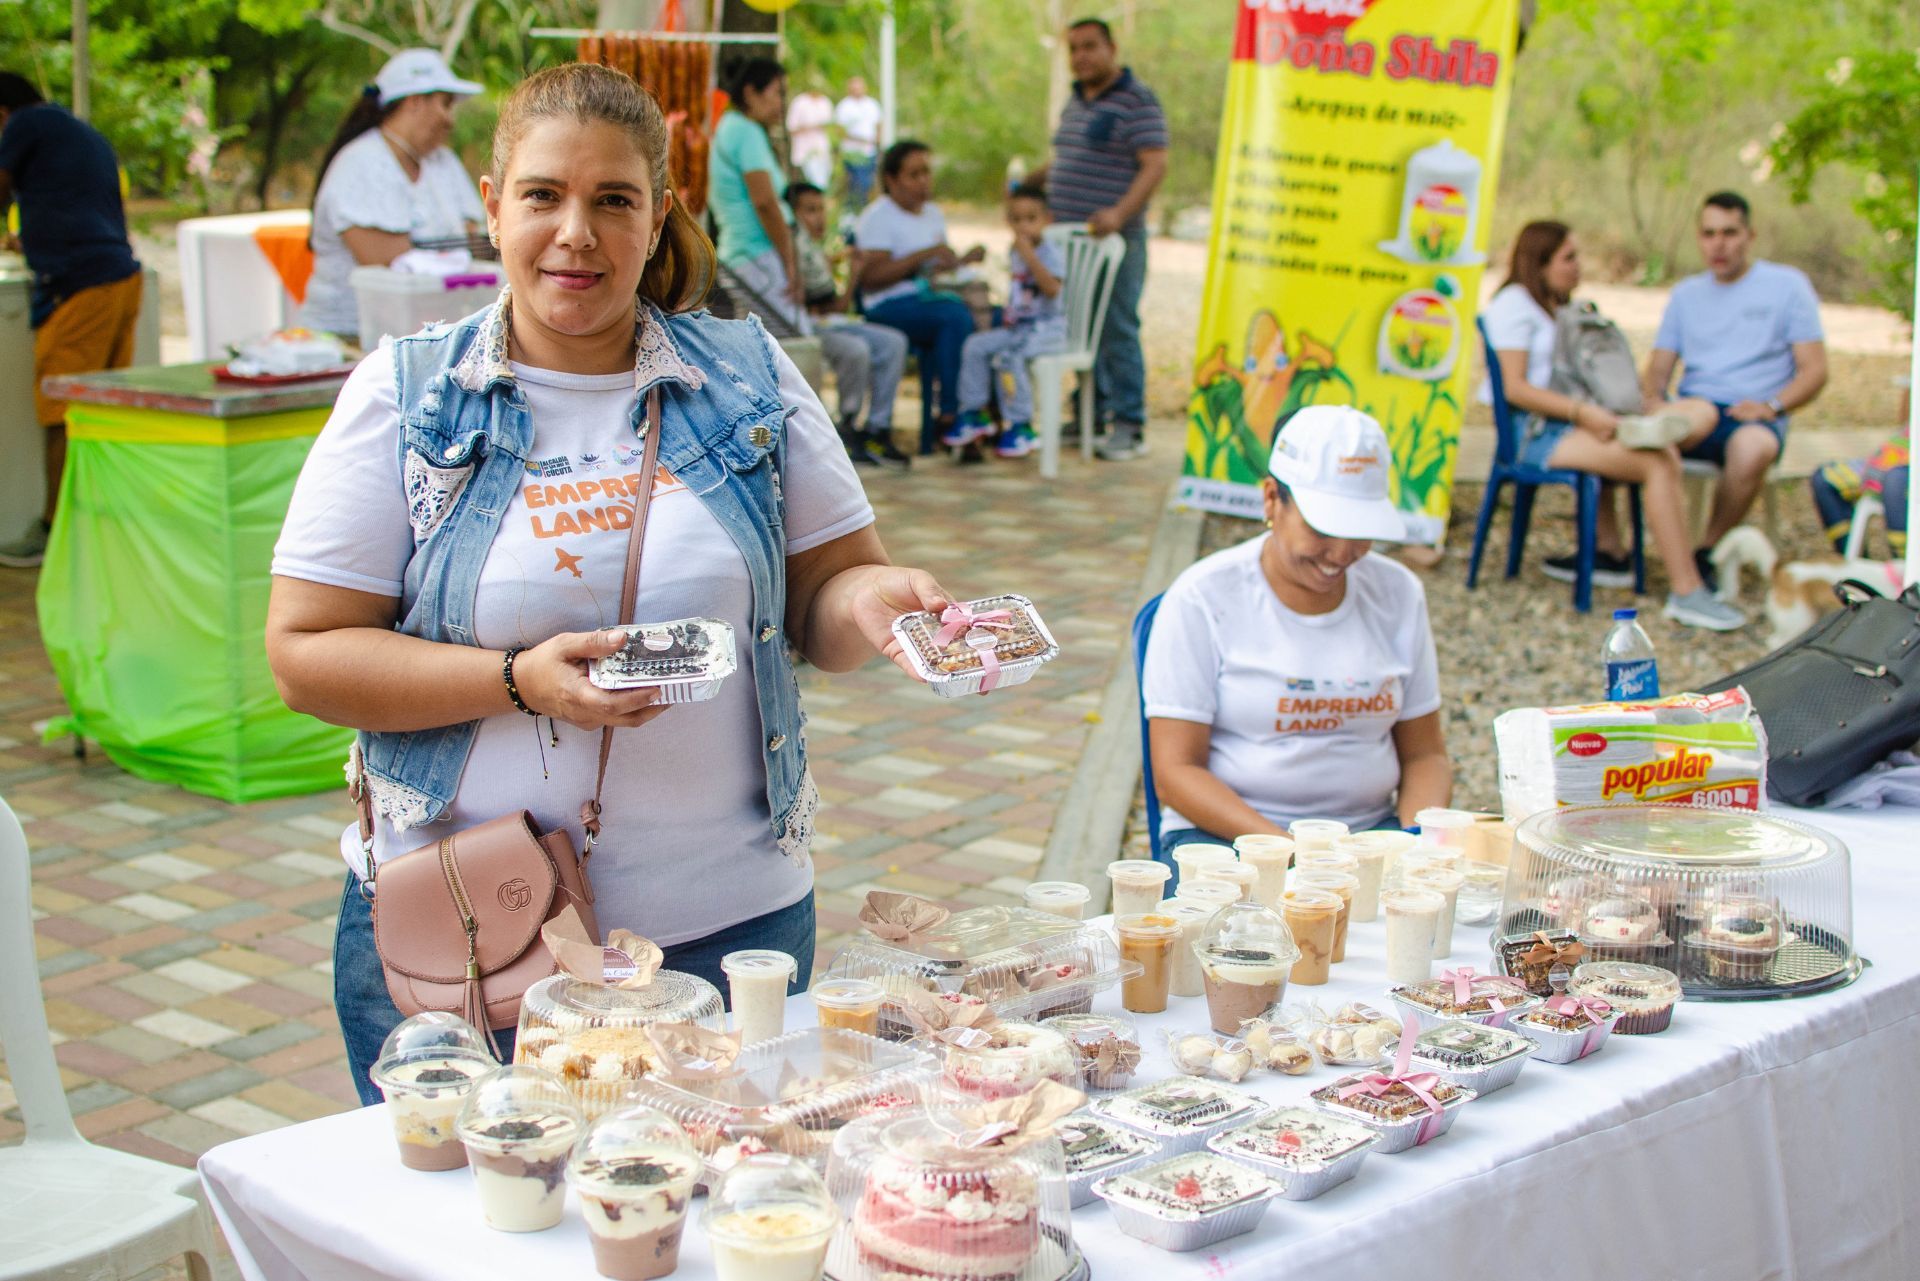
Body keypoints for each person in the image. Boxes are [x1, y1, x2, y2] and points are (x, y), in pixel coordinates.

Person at [264, 63, 952, 1102]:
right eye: (543, 196)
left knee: (716, 1234)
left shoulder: (747, 376)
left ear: (658, 211)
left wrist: (872, 604)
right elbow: (304, 657)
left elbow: (829, 598)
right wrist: (516, 680)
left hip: (735, 931)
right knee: (475, 1245)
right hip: (473, 940)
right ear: (491, 208)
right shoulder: (410, 396)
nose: (576, 233)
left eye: (613, 200)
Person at [1143, 406, 1453, 844]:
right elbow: (1175, 772)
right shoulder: (1202, 598)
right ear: (1271, 498)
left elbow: (1425, 755)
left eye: (1361, 529)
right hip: (1227, 838)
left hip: (1368, 833)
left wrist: (1416, 840)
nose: (1343, 553)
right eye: (1323, 528)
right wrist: (1295, 855)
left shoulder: (1399, 592)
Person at [1483, 221, 1743, 629]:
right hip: (1534, 435)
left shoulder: (1556, 306)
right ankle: (1687, 591)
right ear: (1540, 262)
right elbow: (1515, 389)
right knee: (1658, 461)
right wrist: (1582, 413)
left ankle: (1612, 551)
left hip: (1574, 422)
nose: (1578, 266)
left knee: (1698, 413)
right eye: (1569, 257)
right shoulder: (1514, 305)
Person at [1643, 190, 1829, 590]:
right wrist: (1654, 401)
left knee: (1752, 448)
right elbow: (1658, 368)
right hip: (1695, 408)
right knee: (1648, 439)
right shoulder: (1686, 295)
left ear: (1750, 235)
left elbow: (1815, 370)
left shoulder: (1787, 286)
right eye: (1709, 233)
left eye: (1729, 232)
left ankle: (1706, 554)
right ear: (1698, 237)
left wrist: (1773, 406)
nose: (1719, 243)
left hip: (1754, 413)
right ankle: (1616, 552)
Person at [0, 72, 141, 569]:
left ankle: (52, 532)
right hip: (120, 279)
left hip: (80, 287)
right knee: (98, 413)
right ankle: (98, 527)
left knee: (63, 414)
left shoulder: (25, 124)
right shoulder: (75, 128)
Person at [1032, 17, 1167, 462]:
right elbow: (1070, 160)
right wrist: (1033, 182)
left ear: (1112, 48)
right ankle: (1089, 415)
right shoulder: (1074, 102)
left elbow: (1155, 164)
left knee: (1117, 327)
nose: (1081, 57)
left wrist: (1119, 213)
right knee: (1076, 325)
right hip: (1068, 242)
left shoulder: (1137, 100)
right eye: (1074, 49)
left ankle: (1129, 423)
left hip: (1115, 241)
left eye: (1090, 47)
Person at [301, 49, 486, 341]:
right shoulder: (360, 163)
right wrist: (448, 260)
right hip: (350, 337)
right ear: (415, 101)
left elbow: (472, 239)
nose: (450, 120)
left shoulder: (443, 162)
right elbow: (388, 263)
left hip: (425, 336)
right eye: (445, 104)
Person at [855, 140, 984, 454]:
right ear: (891, 179)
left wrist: (962, 261)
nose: (924, 181)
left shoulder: (933, 214)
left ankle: (983, 418)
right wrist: (922, 256)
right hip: (888, 305)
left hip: (931, 298)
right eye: (914, 174)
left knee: (990, 317)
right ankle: (952, 415)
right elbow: (870, 279)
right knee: (954, 319)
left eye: (927, 172)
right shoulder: (877, 217)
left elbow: (937, 270)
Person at [786, 180, 911, 469]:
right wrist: (854, 273)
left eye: (821, 209)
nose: (818, 218)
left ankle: (878, 428)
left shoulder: (812, 248)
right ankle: (848, 425)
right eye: (809, 210)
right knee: (856, 350)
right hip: (810, 327)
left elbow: (832, 302)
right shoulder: (795, 245)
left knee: (894, 342)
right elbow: (834, 304)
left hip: (830, 322)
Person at [948, 185, 1068, 460]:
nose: (1023, 226)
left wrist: (1030, 257)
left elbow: (1051, 289)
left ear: (1046, 220)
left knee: (1007, 358)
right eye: (1016, 219)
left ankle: (1021, 424)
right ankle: (974, 412)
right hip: (1020, 328)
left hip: (1048, 330)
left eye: (1031, 218)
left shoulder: (1050, 252)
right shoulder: (1014, 252)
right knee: (976, 345)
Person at [709, 58, 808, 329]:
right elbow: (765, 202)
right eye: (778, 93)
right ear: (751, 93)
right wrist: (790, 263)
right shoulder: (744, 131)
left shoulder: (732, 128)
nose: (781, 104)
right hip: (756, 256)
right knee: (792, 345)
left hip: (745, 257)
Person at [834, 76, 882, 208]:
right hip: (852, 152)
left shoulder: (872, 105)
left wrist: (877, 142)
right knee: (857, 184)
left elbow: (878, 125)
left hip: (869, 151)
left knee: (867, 184)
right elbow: (839, 131)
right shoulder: (844, 106)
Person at [785, 83, 834, 190]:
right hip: (804, 151)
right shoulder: (799, 102)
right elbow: (791, 128)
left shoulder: (825, 102)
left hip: (822, 150)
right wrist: (812, 127)